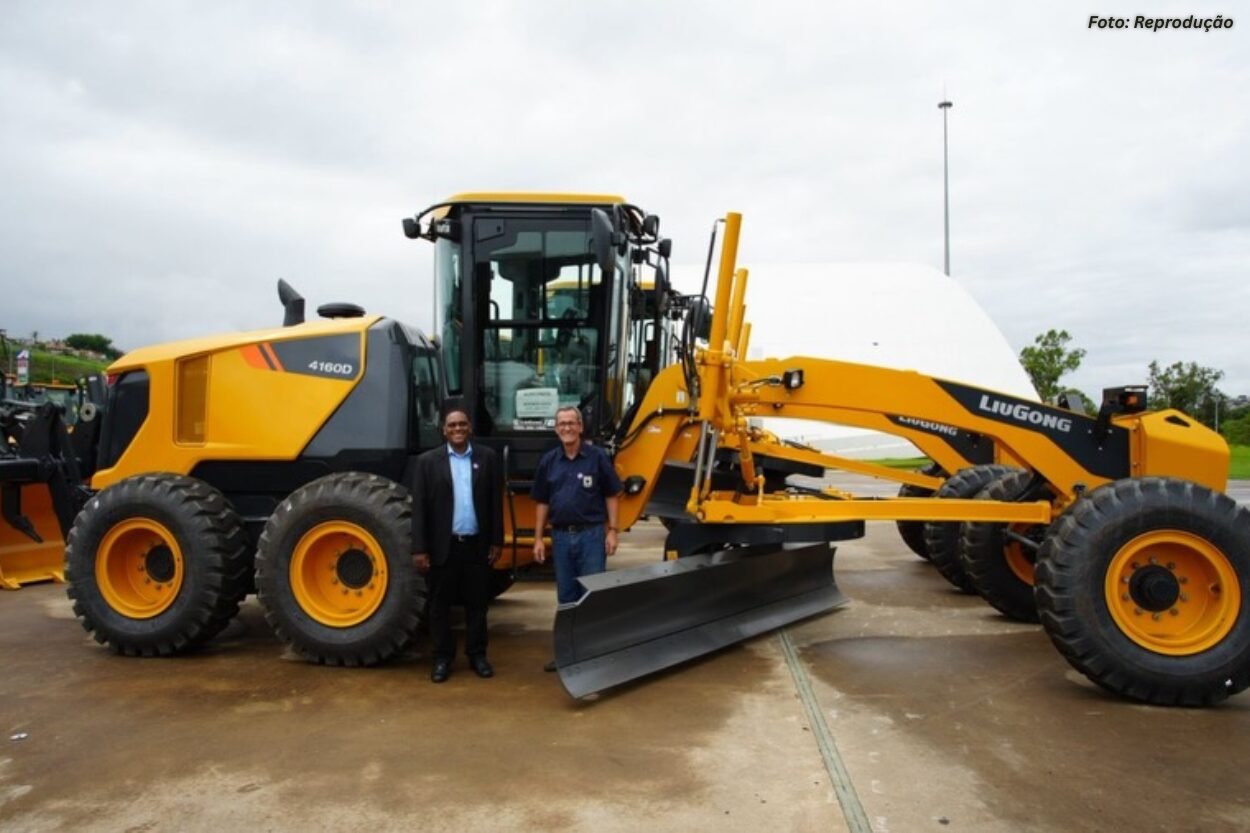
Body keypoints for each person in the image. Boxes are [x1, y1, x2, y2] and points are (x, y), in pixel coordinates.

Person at [411, 403, 503, 683]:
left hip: (476, 546)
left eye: (462, 424)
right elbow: (420, 510)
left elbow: (494, 503)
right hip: (443, 547)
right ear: (444, 430)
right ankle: (442, 658)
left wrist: (496, 541)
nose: (458, 429)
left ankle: (477, 655)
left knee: (478, 605)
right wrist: (420, 548)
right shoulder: (427, 462)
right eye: (452, 425)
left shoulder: (487, 458)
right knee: (439, 607)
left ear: (470, 428)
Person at [531, 405, 623, 671]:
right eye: (562, 424)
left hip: (591, 537)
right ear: (556, 428)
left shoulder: (597, 458)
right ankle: (566, 655)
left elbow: (612, 494)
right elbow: (542, 502)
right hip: (560, 538)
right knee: (567, 598)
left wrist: (613, 531)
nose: (567, 428)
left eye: (572, 423)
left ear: (581, 427)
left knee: (592, 596)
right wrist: (539, 538)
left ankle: (592, 656)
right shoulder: (549, 461)